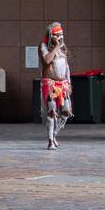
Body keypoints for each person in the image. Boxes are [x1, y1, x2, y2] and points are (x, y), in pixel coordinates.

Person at [38, 22, 72, 150]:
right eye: (57, 35)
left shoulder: (62, 48)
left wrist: (69, 83)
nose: (60, 37)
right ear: (51, 35)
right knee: (52, 111)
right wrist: (57, 46)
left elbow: (67, 67)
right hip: (51, 84)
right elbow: (47, 60)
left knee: (66, 111)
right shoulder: (43, 46)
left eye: (61, 35)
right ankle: (50, 141)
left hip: (62, 84)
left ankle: (54, 134)